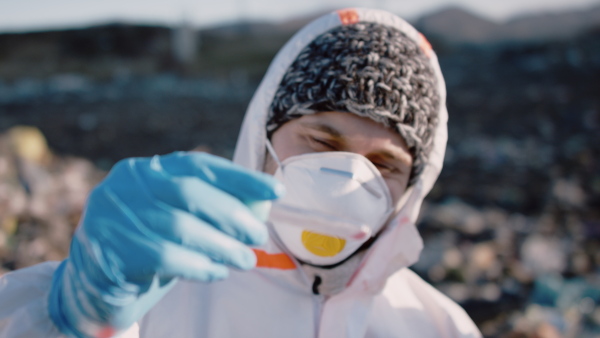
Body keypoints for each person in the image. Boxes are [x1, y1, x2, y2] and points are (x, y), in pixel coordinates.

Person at [0, 8, 482, 338]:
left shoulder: (435, 326)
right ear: (263, 137)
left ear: (414, 187)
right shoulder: (160, 293)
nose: (349, 183)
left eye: (384, 166)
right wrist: (72, 318)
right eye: (322, 142)